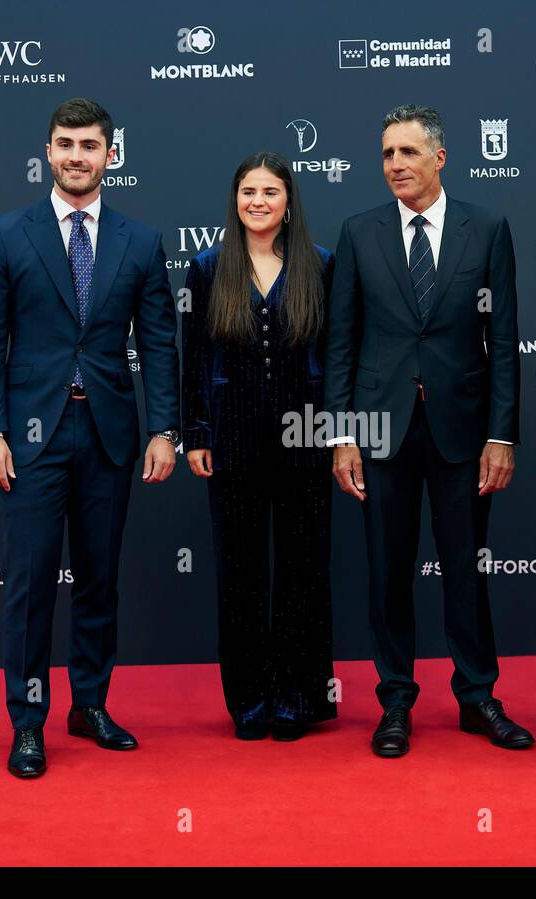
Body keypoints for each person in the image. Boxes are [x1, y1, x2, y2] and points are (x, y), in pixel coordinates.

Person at [0, 98, 180, 778]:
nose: (76, 155)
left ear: (111, 154)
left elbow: (159, 344)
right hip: (30, 438)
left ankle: (89, 705)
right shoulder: (6, 235)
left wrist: (164, 429)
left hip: (110, 434)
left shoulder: (141, 242)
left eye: (90, 144)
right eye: (65, 143)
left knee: (98, 580)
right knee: (29, 586)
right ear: (47, 151)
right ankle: (28, 722)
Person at [324, 104, 532, 757]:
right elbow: (341, 343)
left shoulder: (489, 229)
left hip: (463, 433)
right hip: (380, 430)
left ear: (439, 157)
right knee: (387, 572)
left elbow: (503, 341)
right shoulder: (360, 234)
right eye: (386, 154)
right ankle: (395, 702)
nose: (395, 166)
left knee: (466, 571)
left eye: (407, 153)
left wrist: (502, 435)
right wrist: (341, 435)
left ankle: (478, 697)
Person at [181, 152, 337, 741]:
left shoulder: (320, 266)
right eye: (249, 191)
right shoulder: (207, 267)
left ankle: (297, 696)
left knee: (303, 570)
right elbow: (193, 356)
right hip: (232, 439)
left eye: (271, 192)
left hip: (308, 438)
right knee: (241, 572)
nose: (259, 202)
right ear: (235, 200)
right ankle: (248, 699)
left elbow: (337, 354)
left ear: (289, 201)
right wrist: (196, 432)